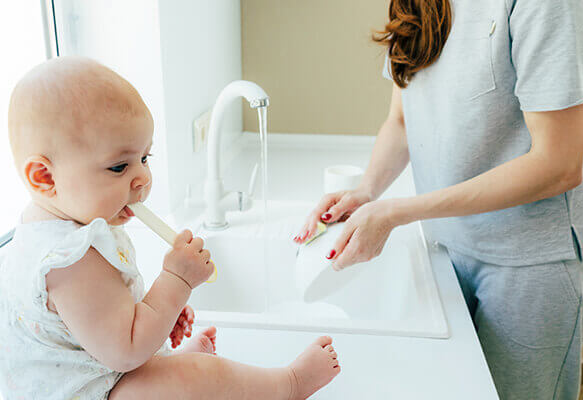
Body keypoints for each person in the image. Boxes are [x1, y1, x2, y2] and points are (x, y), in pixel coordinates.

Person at [295, 0, 583, 398]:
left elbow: (558, 163)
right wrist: (367, 191)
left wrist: (398, 212)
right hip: (449, 251)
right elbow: (403, 120)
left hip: (530, 261)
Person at [0, 56, 340, 400]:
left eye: (145, 158)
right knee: (202, 377)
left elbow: (100, 326)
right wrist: (175, 284)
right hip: (94, 390)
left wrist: (156, 316)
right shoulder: (69, 258)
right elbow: (126, 350)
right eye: (119, 166)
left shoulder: (49, 225)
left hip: (97, 376)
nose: (143, 177)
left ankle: (174, 369)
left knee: (179, 375)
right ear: (44, 177)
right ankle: (288, 386)